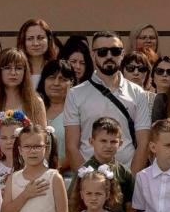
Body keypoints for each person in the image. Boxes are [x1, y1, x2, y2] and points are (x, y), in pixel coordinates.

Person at [64, 31, 152, 172]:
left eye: (115, 51)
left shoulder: (138, 93)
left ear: (122, 54)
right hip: (90, 185)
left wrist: (133, 182)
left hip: (127, 177)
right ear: (93, 56)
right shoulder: (75, 94)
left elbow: (144, 144)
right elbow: (71, 147)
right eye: (103, 52)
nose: (109, 56)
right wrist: (86, 180)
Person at [0, 49, 47, 127]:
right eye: (7, 68)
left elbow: (43, 136)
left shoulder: (36, 102)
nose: (13, 73)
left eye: (18, 68)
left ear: (25, 72)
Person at [37, 60, 77, 176]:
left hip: (68, 179)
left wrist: (53, 171)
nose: (56, 83)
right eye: (51, 77)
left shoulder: (77, 112)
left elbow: (79, 148)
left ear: (72, 83)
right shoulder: (34, 109)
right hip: (36, 179)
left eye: (63, 79)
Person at [16, 19, 58, 85]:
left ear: (49, 40)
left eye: (40, 38)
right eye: (30, 38)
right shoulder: (15, 70)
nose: (35, 43)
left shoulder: (58, 68)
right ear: (23, 42)